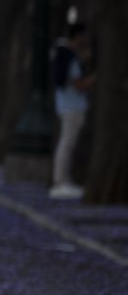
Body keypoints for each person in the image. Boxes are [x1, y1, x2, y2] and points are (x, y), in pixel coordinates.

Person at [51, 24, 94, 200]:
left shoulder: (63, 55)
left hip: (66, 105)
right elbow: (78, 84)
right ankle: (61, 181)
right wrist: (95, 78)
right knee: (67, 143)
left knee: (66, 143)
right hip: (73, 107)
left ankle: (62, 180)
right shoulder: (70, 58)